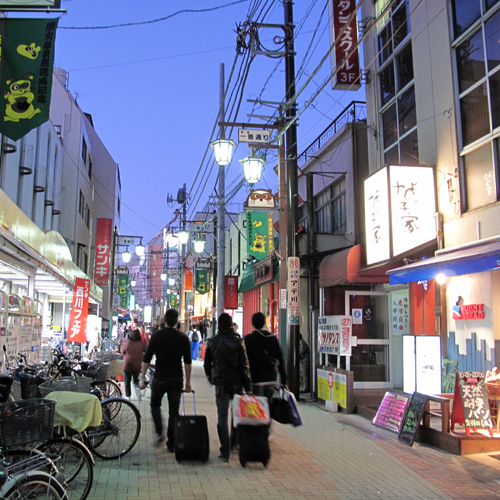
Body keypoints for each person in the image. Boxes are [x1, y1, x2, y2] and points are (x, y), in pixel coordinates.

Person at [140, 309, 192, 451]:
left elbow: (147, 357)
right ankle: (172, 442)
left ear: (164, 321)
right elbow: (188, 361)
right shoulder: (183, 338)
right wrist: (188, 382)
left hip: (160, 378)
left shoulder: (156, 336)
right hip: (176, 378)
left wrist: (142, 378)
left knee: (155, 405)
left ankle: (159, 432)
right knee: (174, 412)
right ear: (177, 321)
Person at [204, 312, 252, 462]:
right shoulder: (239, 341)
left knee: (222, 417)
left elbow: (207, 364)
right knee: (236, 415)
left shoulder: (212, 342)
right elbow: (244, 366)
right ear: (231, 324)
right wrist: (248, 386)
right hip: (237, 384)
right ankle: (233, 443)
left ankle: (225, 450)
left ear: (218, 325)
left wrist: (211, 378)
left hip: (221, 384)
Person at [244, 311, 287, 402]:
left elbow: (243, 361)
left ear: (252, 323)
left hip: (256, 380)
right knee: (268, 407)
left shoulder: (248, 340)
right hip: (271, 379)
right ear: (264, 323)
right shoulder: (272, 338)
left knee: (259, 411)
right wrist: (283, 379)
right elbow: (280, 358)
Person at [121, 328, 147, 400]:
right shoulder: (141, 343)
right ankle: (137, 390)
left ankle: (128, 396)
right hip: (137, 365)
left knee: (127, 380)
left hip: (128, 364)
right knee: (135, 380)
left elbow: (122, 350)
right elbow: (147, 349)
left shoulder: (128, 342)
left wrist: (124, 354)